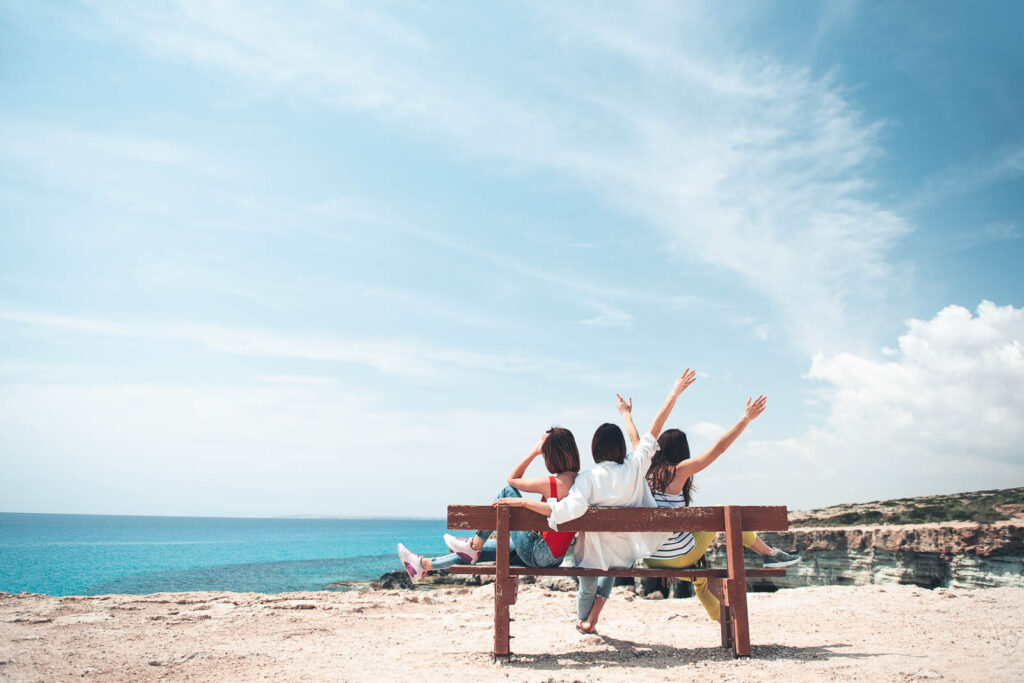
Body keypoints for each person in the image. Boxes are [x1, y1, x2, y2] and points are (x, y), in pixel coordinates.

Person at [493, 370, 697, 634]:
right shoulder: (634, 466)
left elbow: (564, 512)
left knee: (589, 576)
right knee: (612, 561)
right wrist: (671, 394)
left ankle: (582, 621)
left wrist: (522, 504)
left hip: (592, 556)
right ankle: (587, 621)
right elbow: (653, 431)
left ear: (594, 450)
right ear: (621, 448)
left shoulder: (588, 479)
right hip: (624, 553)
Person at [579, 394, 801, 633]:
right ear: (681, 452)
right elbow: (718, 449)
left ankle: (725, 623)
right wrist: (745, 418)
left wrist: (625, 413)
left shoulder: (641, 469)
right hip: (679, 554)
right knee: (726, 517)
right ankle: (768, 554)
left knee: (702, 578)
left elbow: (634, 437)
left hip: (652, 557)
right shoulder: (677, 472)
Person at [396, 427, 580, 580]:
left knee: (506, 492)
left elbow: (512, 480)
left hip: (537, 553)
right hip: (555, 558)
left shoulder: (552, 484)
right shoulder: (580, 484)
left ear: (551, 456)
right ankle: (422, 565)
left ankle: (474, 542)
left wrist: (534, 451)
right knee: (481, 552)